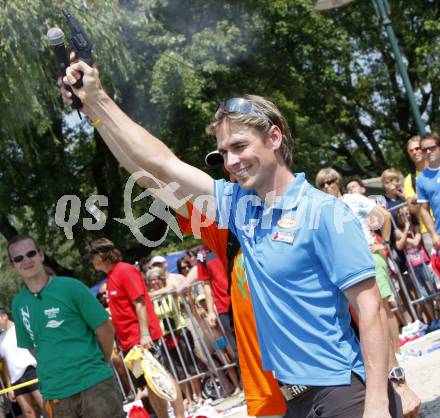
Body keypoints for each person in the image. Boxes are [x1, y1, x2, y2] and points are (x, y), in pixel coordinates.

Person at [62, 61, 399, 417]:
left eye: (239, 146)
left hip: (341, 392)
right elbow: (158, 165)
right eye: (224, 152)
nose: (231, 161)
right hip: (289, 401)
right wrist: (98, 103)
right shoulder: (241, 208)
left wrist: (381, 399)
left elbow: (371, 308)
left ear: (274, 137)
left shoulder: (325, 212)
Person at [8, 235, 124, 418]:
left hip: (94, 385)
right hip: (55, 395)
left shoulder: (71, 287)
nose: (26, 260)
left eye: (30, 253)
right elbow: (31, 346)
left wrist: (99, 361)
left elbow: (105, 328)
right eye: (18, 258)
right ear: (13, 265)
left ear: (41, 255)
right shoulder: (18, 304)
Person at [88, 238, 185, 418]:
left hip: (142, 339)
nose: (90, 261)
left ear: (101, 255)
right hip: (130, 343)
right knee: (150, 384)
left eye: (91, 256)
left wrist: (145, 334)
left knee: (164, 378)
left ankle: (180, 416)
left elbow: (139, 302)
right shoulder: (111, 277)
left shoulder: (124, 270)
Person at [0, 308, 42, 418]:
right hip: (15, 380)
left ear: (4, 316)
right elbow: (5, 365)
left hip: (31, 371)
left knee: (46, 405)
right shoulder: (0, 338)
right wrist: (9, 387)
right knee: (28, 413)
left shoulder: (20, 328)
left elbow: (36, 347)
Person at [403, 136, 434, 255]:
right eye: (411, 150)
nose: (415, 152)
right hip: (428, 230)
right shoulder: (409, 180)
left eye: (418, 148)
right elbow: (413, 208)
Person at [417, 133, 440, 250]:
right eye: (425, 149)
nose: (429, 152)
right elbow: (424, 210)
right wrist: (433, 235)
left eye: (432, 148)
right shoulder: (421, 179)